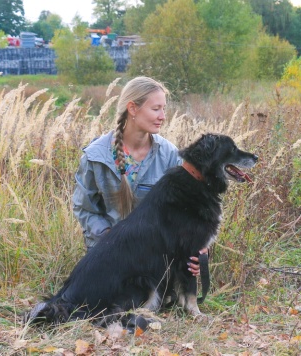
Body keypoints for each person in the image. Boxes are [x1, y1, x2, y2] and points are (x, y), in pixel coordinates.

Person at [72, 76, 207, 276]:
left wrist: (198, 247)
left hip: (155, 256)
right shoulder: (95, 156)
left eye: (164, 109)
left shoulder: (169, 154)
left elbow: (187, 209)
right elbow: (85, 209)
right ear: (133, 109)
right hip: (107, 256)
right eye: (156, 109)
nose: (163, 116)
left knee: (150, 302)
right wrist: (110, 239)